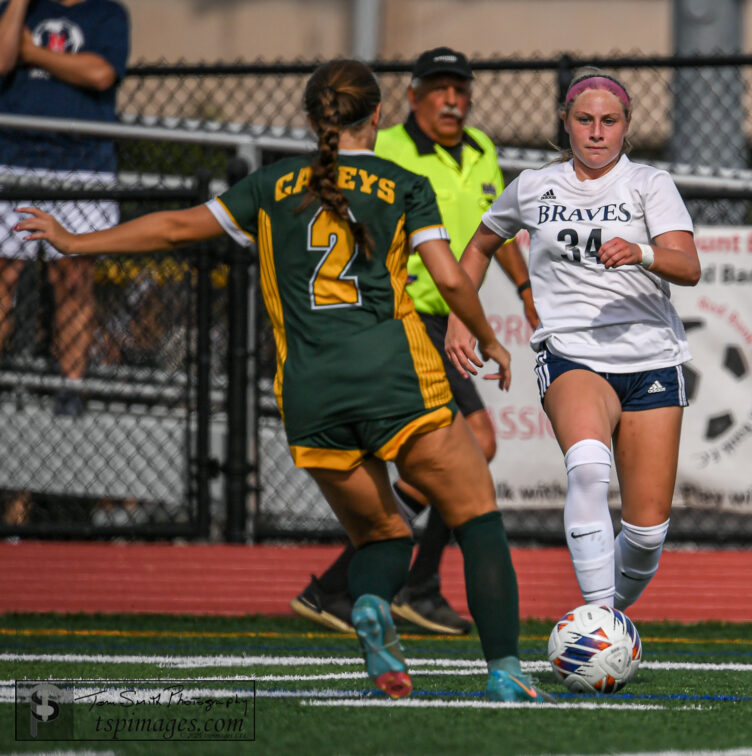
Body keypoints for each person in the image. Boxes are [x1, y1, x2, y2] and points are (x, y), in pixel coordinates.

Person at [16, 58, 553, 704]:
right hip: (395, 377)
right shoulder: (404, 183)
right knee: (477, 514)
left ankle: (372, 602)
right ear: (378, 117)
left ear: (310, 119)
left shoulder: (270, 185)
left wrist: (75, 243)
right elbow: (447, 278)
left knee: (382, 534)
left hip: (310, 392)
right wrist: (489, 337)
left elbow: (175, 227)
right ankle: (505, 673)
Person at [291, 46, 538, 637]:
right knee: (469, 446)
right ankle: (397, 584)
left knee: (462, 450)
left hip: (443, 316)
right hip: (403, 318)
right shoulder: (388, 150)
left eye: (460, 88)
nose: (452, 99)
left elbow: (494, 228)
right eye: (439, 88)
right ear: (411, 97)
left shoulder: (481, 151)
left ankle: (355, 585)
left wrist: (525, 287)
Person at [447, 68, 701, 612]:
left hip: (652, 358)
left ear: (626, 126)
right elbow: (480, 244)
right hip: (571, 353)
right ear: (565, 124)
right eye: (583, 120)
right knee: (587, 467)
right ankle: (598, 627)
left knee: (646, 537)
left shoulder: (649, 184)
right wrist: (460, 315)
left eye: (609, 121)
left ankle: (603, 618)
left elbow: (688, 266)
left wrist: (643, 252)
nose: (596, 131)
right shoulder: (535, 186)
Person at [0, 0, 130, 417]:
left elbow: (99, 73)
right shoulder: (15, 11)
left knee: (73, 277)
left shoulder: (108, 14)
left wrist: (34, 54)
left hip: (82, 167)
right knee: (3, 276)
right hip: (13, 159)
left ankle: (70, 389)